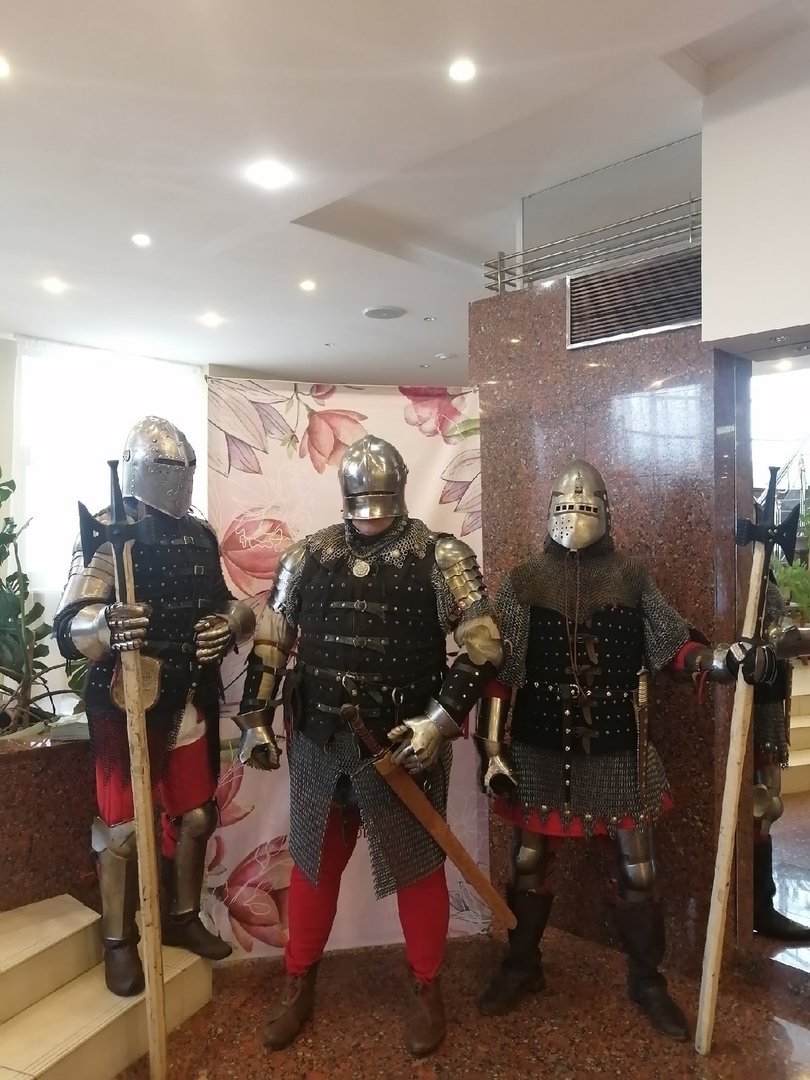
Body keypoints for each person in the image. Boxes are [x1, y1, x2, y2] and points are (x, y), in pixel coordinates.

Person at [474, 460, 778, 1042]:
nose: (575, 514)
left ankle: (647, 981)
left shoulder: (631, 578)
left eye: (585, 504)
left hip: (620, 750)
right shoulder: (524, 582)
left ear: (606, 512)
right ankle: (522, 965)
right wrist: (492, 748)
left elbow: (675, 647)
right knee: (528, 861)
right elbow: (499, 673)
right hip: (540, 746)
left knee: (640, 869)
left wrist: (721, 660)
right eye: (567, 504)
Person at [234, 434, 503, 1057]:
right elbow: (272, 641)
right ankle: (298, 979)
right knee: (314, 866)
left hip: (404, 743)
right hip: (323, 740)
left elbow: (485, 644)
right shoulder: (307, 556)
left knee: (418, 871)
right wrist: (255, 719)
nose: (369, 513)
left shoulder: (441, 557)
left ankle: (426, 986)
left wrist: (437, 723)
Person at [53, 416, 255, 996]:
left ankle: (180, 917)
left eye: (183, 467)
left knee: (196, 817)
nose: (178, 477)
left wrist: (229, 623)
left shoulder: (199, 535)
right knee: (122, 831)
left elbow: (227, 604)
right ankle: (119, 941)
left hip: (189, 694)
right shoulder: (107, 531)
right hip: (126, 700)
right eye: (167, 467)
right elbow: (70, 626)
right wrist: (106, 624)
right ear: (139, 469)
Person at [752, 575, 810, 939]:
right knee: (761, 807)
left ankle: (760, 904)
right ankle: (757, 907)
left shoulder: (761, 576)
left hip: (765, 701)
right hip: (747, 702)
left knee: (765, 807)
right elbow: (775, 639)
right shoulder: (742, 573)